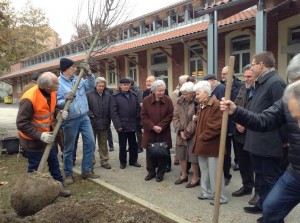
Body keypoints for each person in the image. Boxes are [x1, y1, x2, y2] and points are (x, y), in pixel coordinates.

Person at [220, 53, 300, 223]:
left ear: (261, 65)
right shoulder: (276, 89)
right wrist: (236, 111)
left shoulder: (275, 83)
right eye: (293, 83)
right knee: (271, 204)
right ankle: (263, 206)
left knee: (270, 180)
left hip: (270, 144)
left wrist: (284, 141)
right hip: (295, 168)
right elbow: (265, 118)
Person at [16, 72, 71, 197]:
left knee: (54, 163)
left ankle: (58, 186)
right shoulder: (29, 98)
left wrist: (59, 112)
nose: (59, 84)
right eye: (57, 83)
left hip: (48, 137)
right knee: (34, 168)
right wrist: (40, 135)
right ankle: (29, 195)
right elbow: (21, 123)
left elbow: (52, 108)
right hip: (32, 141)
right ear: (47, 86)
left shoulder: (52, 93)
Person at [57, 58, 100, 184]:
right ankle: (68, 173)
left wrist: (89, 73)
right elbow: (56, 102)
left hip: (84, 117)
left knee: (90, 142)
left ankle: (86, 170)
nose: (76, 69)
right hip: (70, 119)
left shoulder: (78, 79)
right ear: (65, 69)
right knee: (69, 148)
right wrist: (65, 99)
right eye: (73, 67)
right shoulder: (58, 83)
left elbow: (91, 86)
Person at [192, 81, 227, 204]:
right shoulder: (203, 104)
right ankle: (206, 192)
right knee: (205, 171)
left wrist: (201, 137)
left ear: (206, 93)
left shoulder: (215, 105)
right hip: (203, 144)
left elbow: (215, 126)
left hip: (212, 145)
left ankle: (220, 197)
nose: (196, 96)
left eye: (197, 94)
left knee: (215, 173)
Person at [231, 65, 258, 205]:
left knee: (256, 164)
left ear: (255, 77)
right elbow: (235, 107)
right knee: (243, 162)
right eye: (245, 76)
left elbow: (261, 113)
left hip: (253, 133)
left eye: (249, 77)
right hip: (239, 133)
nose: (246, 79)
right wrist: (237, 122)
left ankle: (258, 193)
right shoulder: (242, 89)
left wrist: (245, 124)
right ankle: (247, 186)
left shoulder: (259, 90)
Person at [141, 80, 173, 182]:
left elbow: (170, 115)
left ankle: (160, 173)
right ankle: (151, 172)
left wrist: (160, 126)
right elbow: (143, 116)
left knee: (162, 152)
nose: (162, 93)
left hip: (163, 131)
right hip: (150, 131)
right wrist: (153, 126)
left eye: (163, 90)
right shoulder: (146, 100)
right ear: (154, 91)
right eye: (159, 91)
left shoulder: (168, 100)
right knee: (150, 152)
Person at [173, 82, 200, 188]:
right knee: (181, 154)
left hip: (192, 133)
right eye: (183, 93)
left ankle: (196, 177)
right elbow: (175, 116)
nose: (183, 96)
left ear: (192, 93)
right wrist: (179, 130)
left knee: (193, 156)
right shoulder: (179, 101)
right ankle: (184, 175)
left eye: (186, 94)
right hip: (181, 132)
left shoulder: (197, 102)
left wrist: (187, 132)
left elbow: (196, 119)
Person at [111, 78, 141, 169]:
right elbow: (114, 112)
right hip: (122, 125)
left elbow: (137, 109)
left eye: (128, 85)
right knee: (123, 145)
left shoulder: (133, 95)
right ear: (120, 85)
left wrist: (137, 121)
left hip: (132, 124)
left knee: (133, 144)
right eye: (124, 85)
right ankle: (123, 162)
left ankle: (133, 161)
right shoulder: (116, 96)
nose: (126, 86)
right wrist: (118, 125)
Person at [221, 66, 243, 184]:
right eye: (222, 74)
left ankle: (239, 162)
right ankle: (226, 175)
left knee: (238, 148)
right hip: (225, 123)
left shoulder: (240, 86)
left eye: (225, 74)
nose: (223, 76)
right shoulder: (221, 86)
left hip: (236, 122)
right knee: (225, 151)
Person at [87, 77, 113, 170]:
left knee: (103, 143)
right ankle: (91, 162)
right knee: (91, 143)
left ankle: (104, 161)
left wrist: (109, 120)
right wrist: (91, 115)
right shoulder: (89, 94)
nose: (101, 88)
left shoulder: (108, 95)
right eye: (99, 86)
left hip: (104, 123)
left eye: (103, 86)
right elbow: (86, 107)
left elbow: (111, 109)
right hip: (92, 123)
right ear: (96, 85)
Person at [127, 76, 144, 153]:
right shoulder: (127, 90)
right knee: (130, 132)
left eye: (128, 84)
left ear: (131, 84)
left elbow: (139, 104)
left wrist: (138, 116)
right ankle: (132, 146)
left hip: (136, 115)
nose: (126, 85)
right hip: (129, 115)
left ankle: (140, 147)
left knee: (138, 132)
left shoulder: (138, 91)